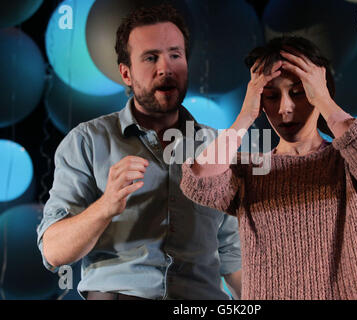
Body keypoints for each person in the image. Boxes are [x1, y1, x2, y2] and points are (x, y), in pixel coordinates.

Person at [37, 4, 242, 300]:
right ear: (126, 73)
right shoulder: (86, 141)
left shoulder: (218, 146)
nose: (166, 68)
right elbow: (54, 251)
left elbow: (233, 256)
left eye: (175, 55)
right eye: (151, 58)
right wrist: (106, 205)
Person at [180, 36, 357, 300]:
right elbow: (199, 180)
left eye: (298, 92)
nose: (285, 108)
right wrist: (245, 116)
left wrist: (325, 101)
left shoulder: (345, 161)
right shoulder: (251, 170)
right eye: (270, 96)